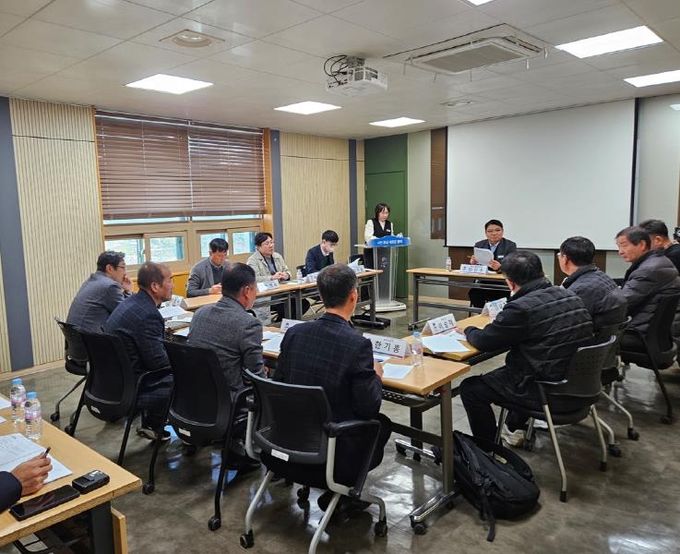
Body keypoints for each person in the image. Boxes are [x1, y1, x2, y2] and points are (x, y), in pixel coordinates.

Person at [275, 263, 391, 511]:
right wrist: (376, 375)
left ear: (320, 295)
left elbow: (279, 383)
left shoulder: (295, 333)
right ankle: (343, 494)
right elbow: (369, 407)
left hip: (285, 439)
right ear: (354, 296)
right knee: (381, 425)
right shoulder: (357, 344)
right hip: (330, 451)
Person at [458, 251, 593, 446]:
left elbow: (485, 341)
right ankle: (514, 427)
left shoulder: (521, 308)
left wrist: (468, 329)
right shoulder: (570, 295)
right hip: (579, 382)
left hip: (546, 389)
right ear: (541, 273)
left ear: (510, 283)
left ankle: (488, 449)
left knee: (471, 389)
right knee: (515, 369)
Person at [104, 262, 174, 440]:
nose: (172, 285)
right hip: (134, 387)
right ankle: (188, 431)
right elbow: (158, 363)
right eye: (170, 280)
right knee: (188, 375)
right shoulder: (148, 314)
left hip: (112, 382)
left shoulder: (131, 303)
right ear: (155, 286)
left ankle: (152, 423)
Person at [188, 263, 265, 391]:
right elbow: (255, 377)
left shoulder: (199, 313)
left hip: (198, 391)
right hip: (233, 395)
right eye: (255, 288)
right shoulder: (249, 324)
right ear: (246, 291)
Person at [615, 226, 680, 351]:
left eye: (624, 246)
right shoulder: (658, 261)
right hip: (656, 332)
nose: (620, 252)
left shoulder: (648, 270)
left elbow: (622, 303)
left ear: (642, 245)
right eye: (619, 247)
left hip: (640, 333)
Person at [558, 236, 627, 331]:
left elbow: (567, 324)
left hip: (593, 336)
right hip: (611, 335)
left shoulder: (581, 289)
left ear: (565, 259)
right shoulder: (600, 275)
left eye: (559, 255)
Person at [67, 251, 132, 333]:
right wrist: (128, 291)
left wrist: (126, 291)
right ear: (110, 268)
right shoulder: (110, 286)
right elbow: (127, 315)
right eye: (123, 267)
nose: (125, 273)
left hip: (77, 338)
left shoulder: (92, 280)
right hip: (92, 338)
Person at [247, 232, 307, 321]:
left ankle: (284, 322)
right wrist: (271, 278)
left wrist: (286, 275)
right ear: (258, 247)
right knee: (285, 305)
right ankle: (282, 323)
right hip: (266, 295)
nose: (271, 245)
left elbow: (287, 271)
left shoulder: (277, 256)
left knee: (303, 303)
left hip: (281, 291)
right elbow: (254, 279)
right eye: (267, 243)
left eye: (272, 242)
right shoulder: (253, 260)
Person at [469, 219, 517, 308]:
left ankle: (499, 315)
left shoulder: (510, 245)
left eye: (497, 230)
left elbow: (513, 266)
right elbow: (477, 265)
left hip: (502, 283)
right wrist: (473, 263)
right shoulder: (479, 245)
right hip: (484, 281)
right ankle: (482, 314)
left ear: (502, 231)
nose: (494, 233)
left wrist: (500, 267)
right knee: (474, 293)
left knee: (504, 296)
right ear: (486, 233)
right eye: (490, 231)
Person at [363, 203, 393, 269]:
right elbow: (368, 238)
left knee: (383, 271)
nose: (385, 215)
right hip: (371, 253)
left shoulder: (390, 224)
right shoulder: (371, 222)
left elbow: (391, 237)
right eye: (382, 213)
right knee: (372, 271)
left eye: (387, 213)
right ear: (377, 213)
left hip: (384, 253)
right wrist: (381, 241)